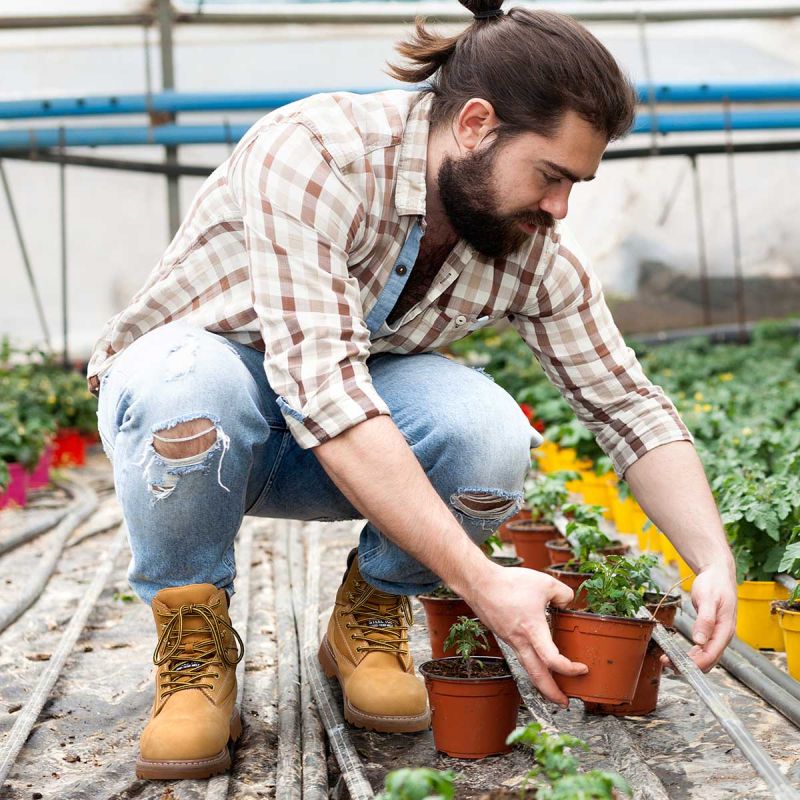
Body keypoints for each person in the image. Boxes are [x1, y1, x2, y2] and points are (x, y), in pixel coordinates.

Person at [88, 0, 737, 780]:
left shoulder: (527, 252)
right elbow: (322, 387)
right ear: (473, 125)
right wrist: (483, 583)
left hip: (334, 443)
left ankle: (370, 613)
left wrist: (710, 559)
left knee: (489, 430)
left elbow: (626, 405)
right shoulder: (315, 154)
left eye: (577, 185)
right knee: (184, 383)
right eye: (552, 176)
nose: (561, 208)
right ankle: (193, 648)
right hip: (203, 424)